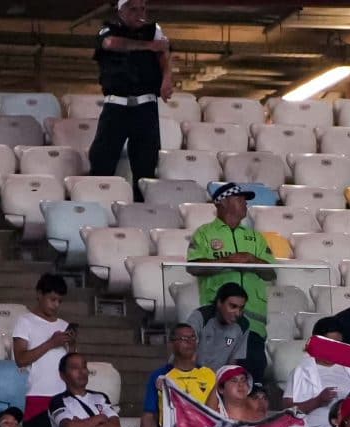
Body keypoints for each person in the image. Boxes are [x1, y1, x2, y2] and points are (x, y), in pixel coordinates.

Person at [88, 0, 172, 189]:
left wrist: (167, 78)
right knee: (102, 160)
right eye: (133, 9)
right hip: (115, 106)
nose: (139, 13)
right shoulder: (109, 30)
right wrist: (149, 45)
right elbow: (110, 43)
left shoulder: (154, 31)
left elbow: (163, 54)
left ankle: (142, 211)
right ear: (121, 11)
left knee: (146, 166)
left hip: (146, 107)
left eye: (142, 8)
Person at [188, 183, 273, 344]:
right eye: (240, 199)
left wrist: (252, 260)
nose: (245, 203)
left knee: (252, 368)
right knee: (217, 367)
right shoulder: (204, 234)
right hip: (217, 320)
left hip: (253, 325)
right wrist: (228, 260)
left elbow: (271, 273)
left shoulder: (256, 237)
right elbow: (193, 266)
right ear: (223, 202)